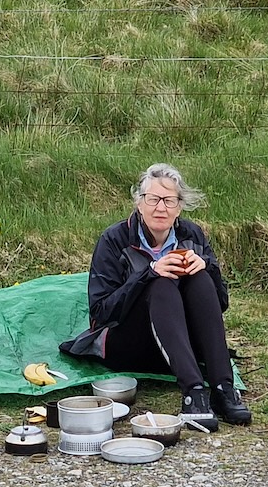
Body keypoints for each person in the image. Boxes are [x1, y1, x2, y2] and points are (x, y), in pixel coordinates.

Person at [60, 162, 250, 431]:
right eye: (153, 199)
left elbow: (220, 304)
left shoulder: (192, 235)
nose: (160, 208)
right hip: (128, 344)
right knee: (160, 283)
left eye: (169, 201)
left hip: (180, 345)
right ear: (139, 203)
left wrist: (206, 267)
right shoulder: (114, 239)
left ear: (179, 207)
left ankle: (223, 389)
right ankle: (193, 394)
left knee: (199, 276)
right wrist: (148, 273)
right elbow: (101, 313)